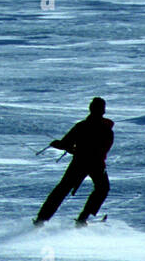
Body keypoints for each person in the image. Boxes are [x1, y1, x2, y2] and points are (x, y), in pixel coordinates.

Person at [34, 97, 113, 226]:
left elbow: (65, 143)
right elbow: (102, 149)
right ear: (103, 111)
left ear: (90, 109)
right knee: (102, 189)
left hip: (80, 163)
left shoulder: (81, 126)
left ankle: (41, 219)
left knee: (61, 190)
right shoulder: (107, 129)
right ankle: (83, 218)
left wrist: (57, 144)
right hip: (96, 164)